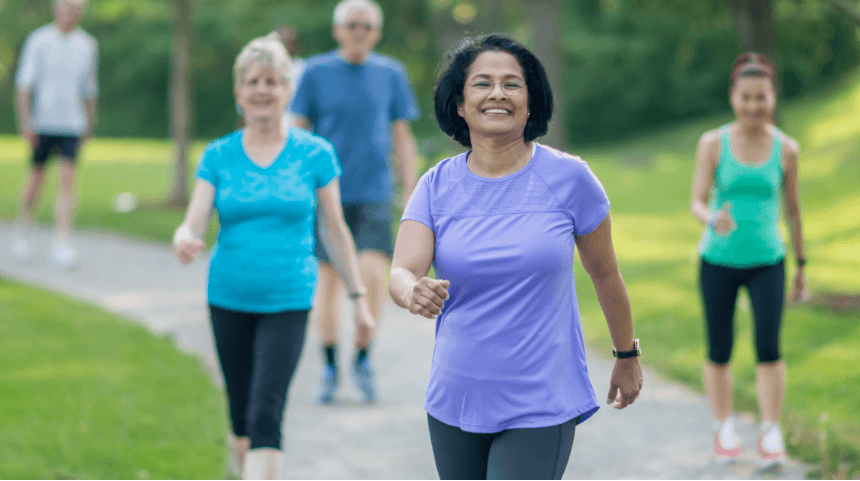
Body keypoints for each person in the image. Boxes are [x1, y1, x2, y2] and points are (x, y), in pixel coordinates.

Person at [389, 34, 643, 480]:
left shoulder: (570, 178)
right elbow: (401, 270)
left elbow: (605, 273)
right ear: (460, 104)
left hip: (541, 399)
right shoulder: (436, 184)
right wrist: (412, 291)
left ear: (531, 103)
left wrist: (627, 354)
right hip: (456, 398)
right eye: (482, 83)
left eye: (513, 84)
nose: (498, 93)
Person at [172, 34, 375, 480]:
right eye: (253, 82)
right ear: (238, 91)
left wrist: (359, 299)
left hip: (288, 297)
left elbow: (335, 228)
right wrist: (185, 237)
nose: (262, 90)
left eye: (272, 81)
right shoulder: (219, 154)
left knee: (267, 409)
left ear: (287, 90)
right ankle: (239, 466)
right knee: (241, 415)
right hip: (228, 295)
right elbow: (195, 218)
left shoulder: (314, 153)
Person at [289, 0, 421, 405]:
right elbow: (297, 132)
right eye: (352, 25)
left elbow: (402, 136)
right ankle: (329, 364)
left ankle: (363, 355)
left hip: (375, 192)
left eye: (367, 26)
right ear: (338, 30)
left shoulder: (391, 74)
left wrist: (412, 190)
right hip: (326, 196)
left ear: (376, 33)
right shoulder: (314, 72)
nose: (359, 32)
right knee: (329, 282)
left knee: (371, 274)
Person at [690, 52, 807, 468]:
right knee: (719, 346)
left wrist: (802, 264)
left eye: (761, 97)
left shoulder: (786, 148)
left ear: (772, 97)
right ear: (733, 97)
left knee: (768, 347)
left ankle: (770, 431)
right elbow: (697, 201)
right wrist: (711, 218)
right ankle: (724, 428)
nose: (753, 106)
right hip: (717, 260)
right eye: (746, 97)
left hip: (768, 260)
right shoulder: (712, 143)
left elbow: (793, 211)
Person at [12, 0, 98, 269]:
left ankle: (61, 241)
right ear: (57, 9)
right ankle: (23, 229)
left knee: (67, 183)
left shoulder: (87, 44)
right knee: (36, 179)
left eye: (77, 10)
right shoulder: (39, 41)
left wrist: (89, 123)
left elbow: (89, 88)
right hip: (43, 123)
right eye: (69, 8)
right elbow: (24, 85)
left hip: (72, 124)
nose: (73, 14)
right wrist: (26, 122)